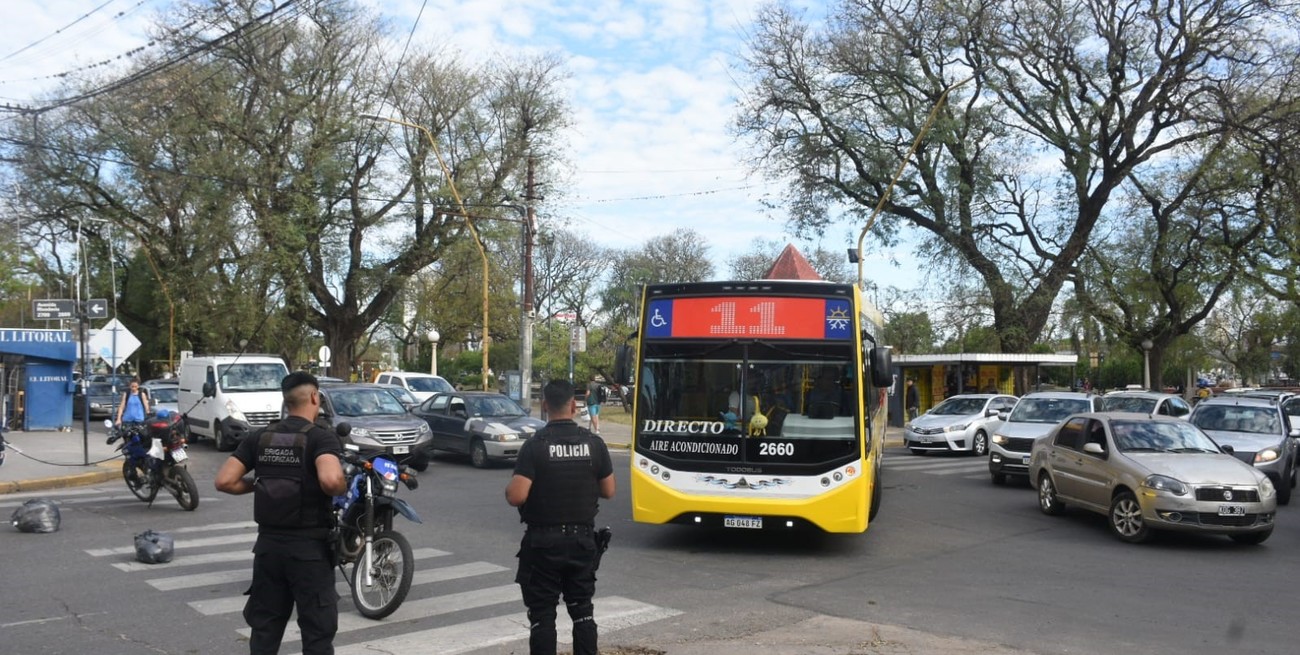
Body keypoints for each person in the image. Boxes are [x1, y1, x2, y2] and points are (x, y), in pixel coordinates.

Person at [214, 372, 346, 655]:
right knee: (317, 633)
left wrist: (261, 483)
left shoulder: (260, 437)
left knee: (265, 630)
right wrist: (340, 485)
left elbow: (224, 481)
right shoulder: (320, 438)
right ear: (315, 397)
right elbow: (331, 480)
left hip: (268, 549)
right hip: (309, 550)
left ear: (286, 402)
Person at [505, 380, 616, 655]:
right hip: (581, 542)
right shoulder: (594, 444)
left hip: (543, 544)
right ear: (574, 406)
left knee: (543, 615)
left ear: (544, 406)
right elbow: (609, 491)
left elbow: (516, 496)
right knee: (583, 613)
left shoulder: (535, 446)